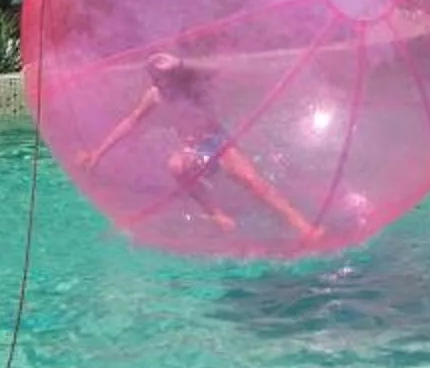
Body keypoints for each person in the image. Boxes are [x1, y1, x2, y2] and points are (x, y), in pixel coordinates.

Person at [85, 52, 314, 239]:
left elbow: (218, 71)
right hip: (193, 148)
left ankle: (302, 227)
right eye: (153, 77)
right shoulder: (154, 96)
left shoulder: (193, 87)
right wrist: (99, 152)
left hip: (216, 141)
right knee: (176, 166)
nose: (157, 82)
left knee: (254, 183)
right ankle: (218, 215)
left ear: (174, 76)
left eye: (161, 77)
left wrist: (182, 64)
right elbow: (131, 122)